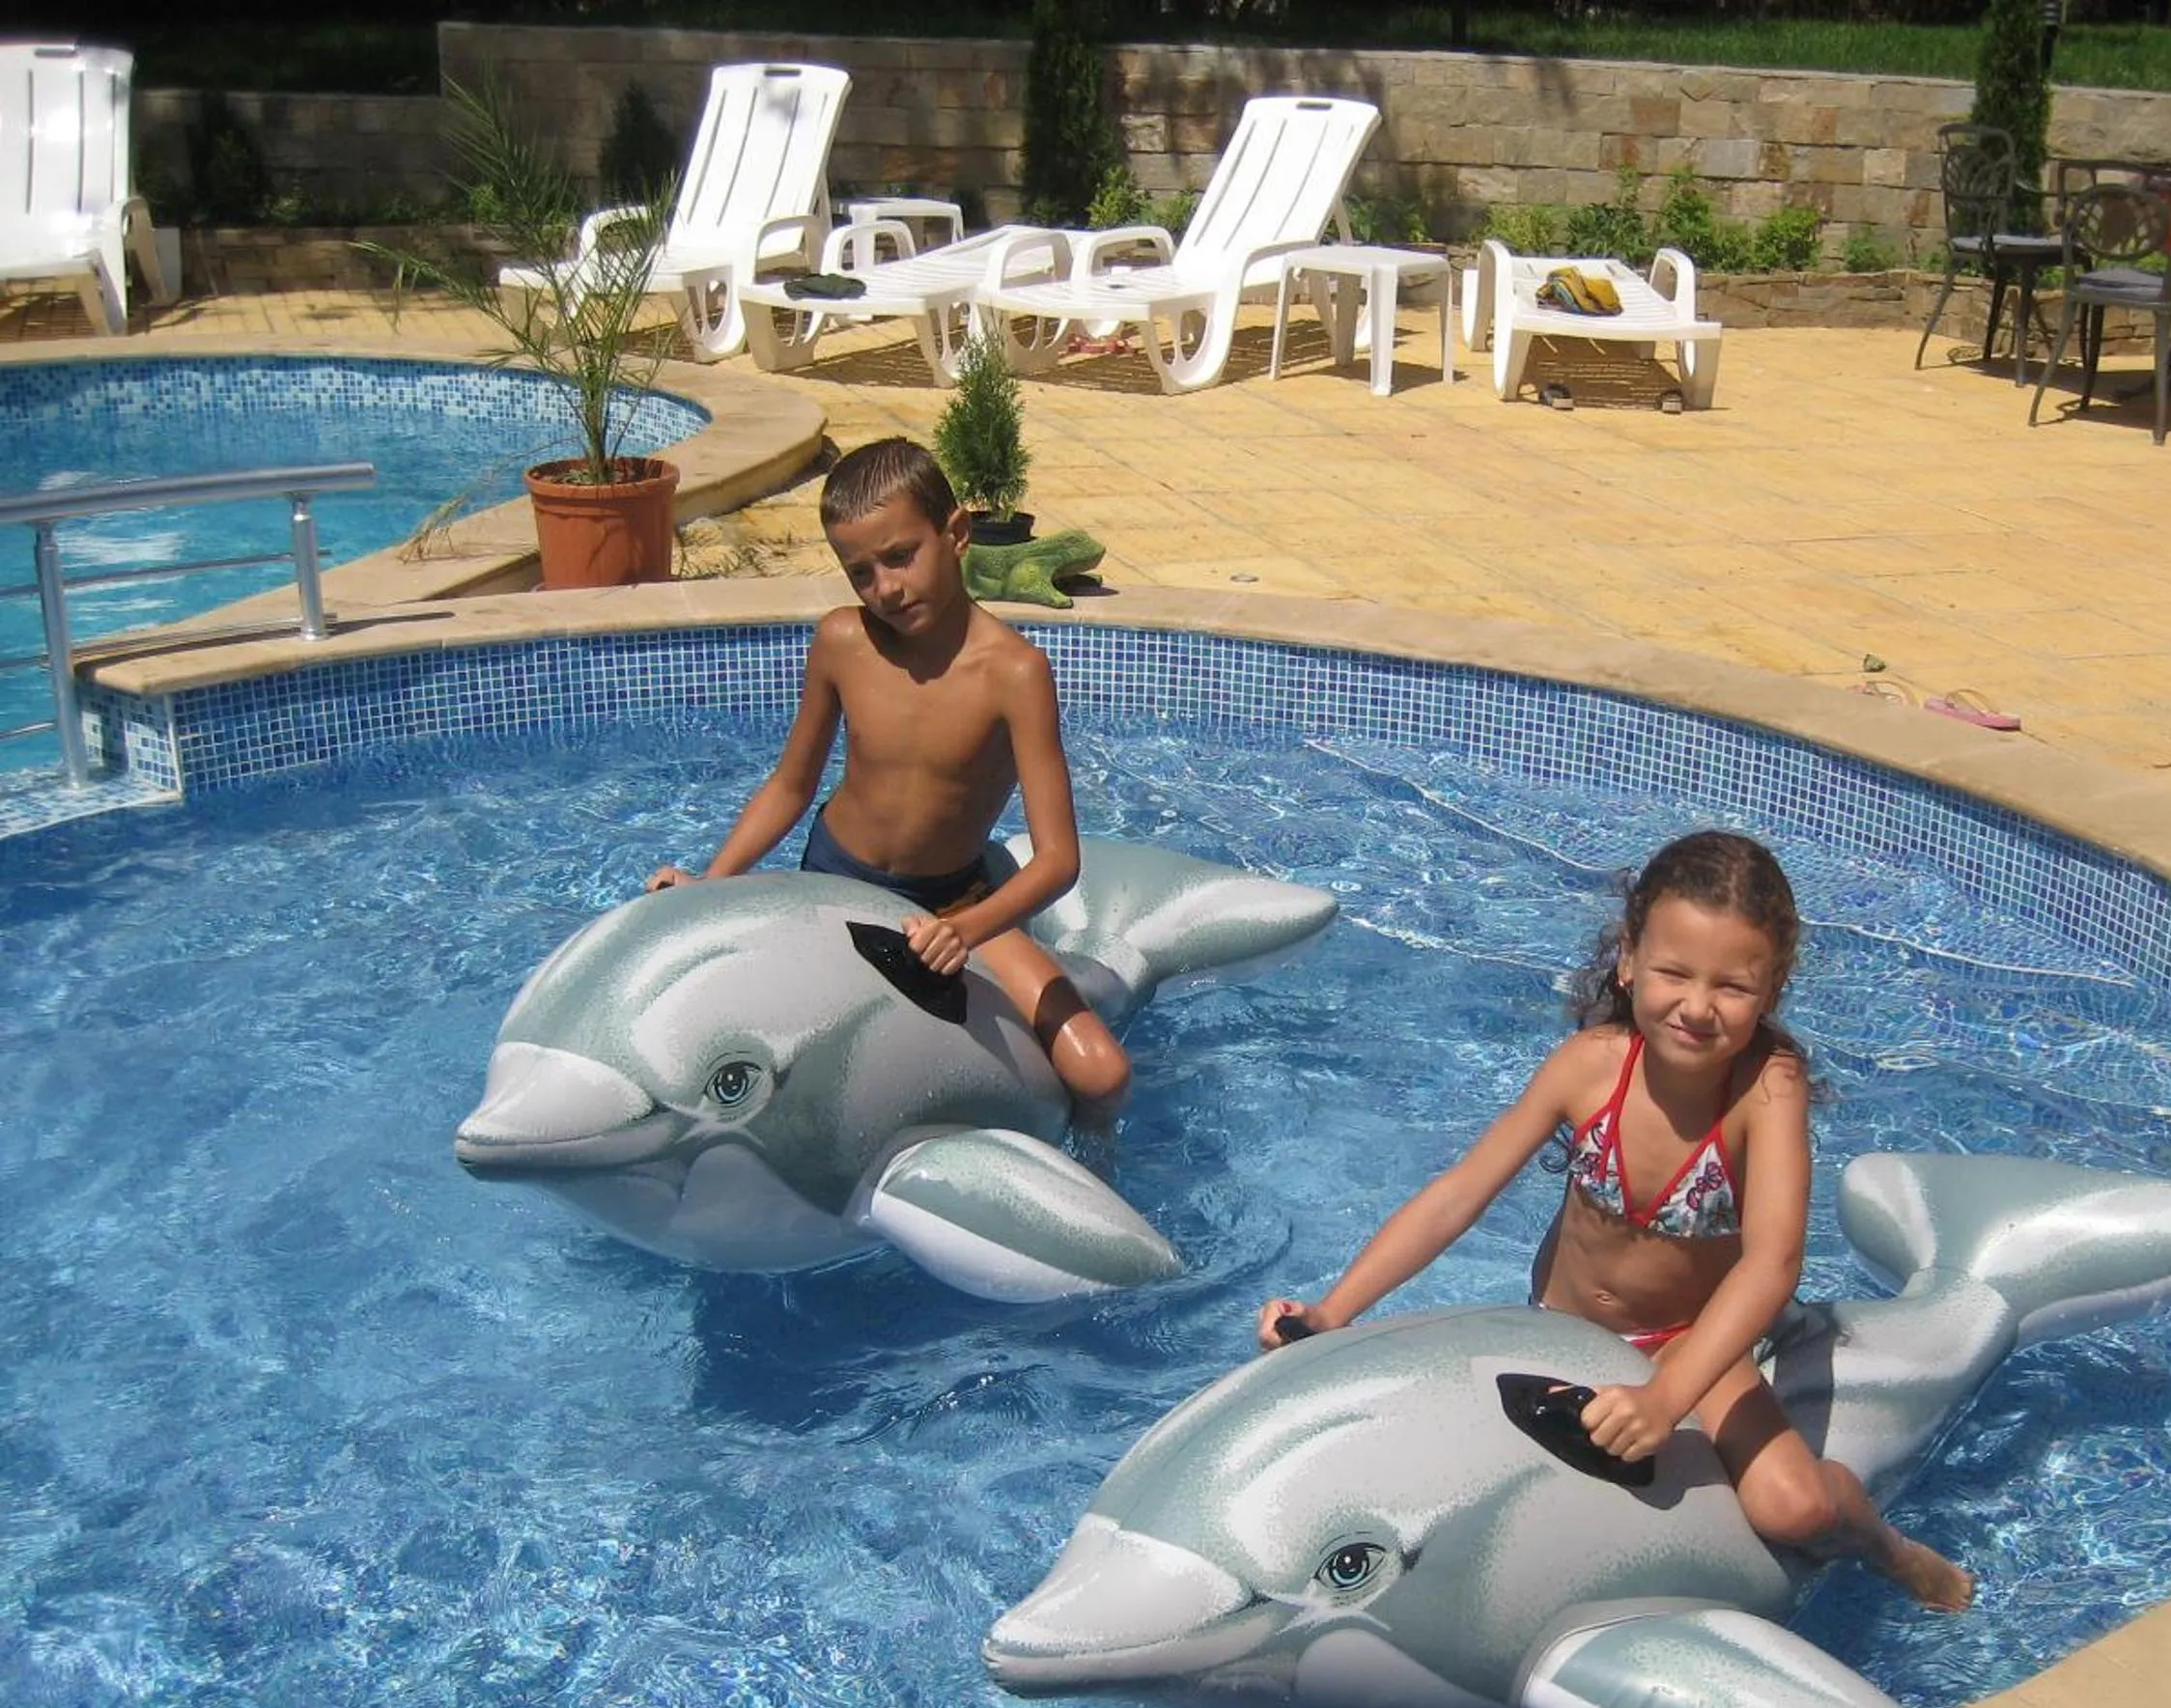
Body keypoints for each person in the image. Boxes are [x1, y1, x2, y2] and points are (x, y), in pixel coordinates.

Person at [1257, 829, 1972, 1611]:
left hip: (1688, 1340)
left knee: (1791, 1510)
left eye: (1732, 986)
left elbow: (1772, 1263)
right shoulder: (1590, 1066)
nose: (1697, 1006)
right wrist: (1334, 1312)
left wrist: (1667, 1398)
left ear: (1772, 987)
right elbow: (1459, 1194)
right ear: (1629, 960)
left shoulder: (1767, 1089)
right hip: (1557, 1326)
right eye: (1674, 973)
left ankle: (1886, 1545)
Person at [647, 437, 1130, 1113]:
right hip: (832, 880)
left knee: (1101, 1073)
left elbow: (1058, 861)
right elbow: (791, 785)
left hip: (951, 905)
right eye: (861, 573)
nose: (886, 589)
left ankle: (1085, 1165)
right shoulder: (844, 642)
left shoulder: (1015, 674)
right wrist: (713, 883)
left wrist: (966, 930)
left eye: (901, 556)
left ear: (955, 533)